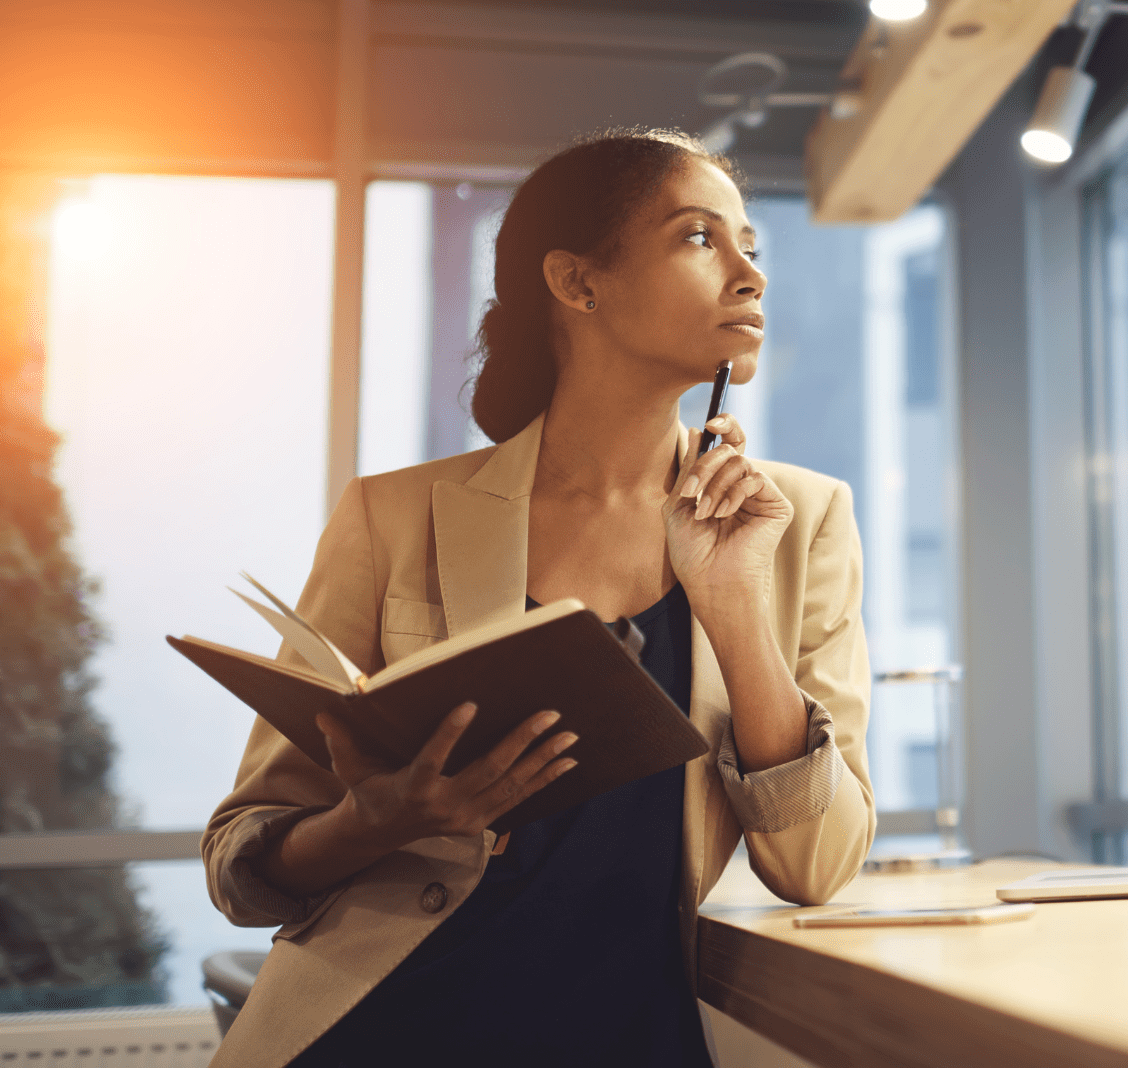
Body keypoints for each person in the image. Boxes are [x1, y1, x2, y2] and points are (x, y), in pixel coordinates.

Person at [200, 129, 876, 1068]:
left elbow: (816, 867)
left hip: (631, 1039)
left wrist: (734, 609)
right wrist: (376, 822)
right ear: (576, 281)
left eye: (750, 246)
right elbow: (241, 863)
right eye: (698, 237)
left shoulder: (799, 521)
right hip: (380, 1032)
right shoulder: (392, 517)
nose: (750, 274)